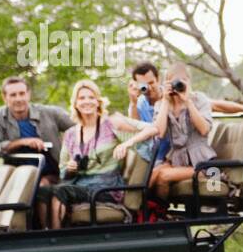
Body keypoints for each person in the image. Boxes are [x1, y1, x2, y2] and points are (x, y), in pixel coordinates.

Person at [39, 79, 160, 229]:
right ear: (75, 103)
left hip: (105, 188)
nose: (87, 101)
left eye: (91, 97)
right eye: (82, 98)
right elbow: (63, 171)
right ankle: (44, 234)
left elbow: (153, 129)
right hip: (78, 185)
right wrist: (71, 168)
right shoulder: (70, 134)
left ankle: (56, 241)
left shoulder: (111, 124)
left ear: (98, 101)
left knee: (60, 191)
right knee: (42, 192)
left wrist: (126, 143)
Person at [0, 75, 75, 227]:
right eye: (13, 95)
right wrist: (21, 142)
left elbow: (80, 126)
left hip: (50, 173)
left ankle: (45, 233)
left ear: (28, 94)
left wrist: (70, 147)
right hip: (18, 176)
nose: (19, 99)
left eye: (22, 93)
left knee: (41, 186)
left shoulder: (49, 113)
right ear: (4, 97)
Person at [127, 61, 243, 162]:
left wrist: (242, 108)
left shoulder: (175, 92)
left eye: (151, 83)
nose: (148, 88)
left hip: (178, 153)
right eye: (143, 85)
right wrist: (133, 103)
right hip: (158, 156)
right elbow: (136, 127)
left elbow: (214, 105)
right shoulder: (140, 103)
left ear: (159, 80)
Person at [147, 62, 219, 202]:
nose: (178, 85)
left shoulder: (199, 99)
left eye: (182, 81)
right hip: (177, 160)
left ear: (189, 81)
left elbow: (204, 129)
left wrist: (188, 102)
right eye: (174, 82)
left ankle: (161, 213)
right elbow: (159, 133)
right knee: (153, 173)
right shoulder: (162, 104)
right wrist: (166, 101)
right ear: (167, 83)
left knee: (163, 176)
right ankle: (143, 214)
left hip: (202, 164)